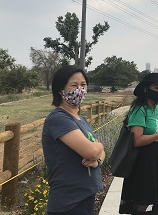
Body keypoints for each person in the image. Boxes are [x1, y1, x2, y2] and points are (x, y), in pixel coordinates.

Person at [42, 65, 105, 215]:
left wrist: (98, 160)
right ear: (60, 90)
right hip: (68, 202)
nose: (80, 89)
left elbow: (99, 154)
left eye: (83, 85)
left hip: (85, 197)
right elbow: (91, 150)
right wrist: (99, 146)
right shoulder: (59, 119)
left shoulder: (80, 119)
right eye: (74, 85)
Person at [119, 72, 158, 215]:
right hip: (143, 162)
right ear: (145, 89)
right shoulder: (139, 109)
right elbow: (137, 140)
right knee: (143, 202)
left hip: (156, 160)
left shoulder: (156, 109)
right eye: (156, 87)